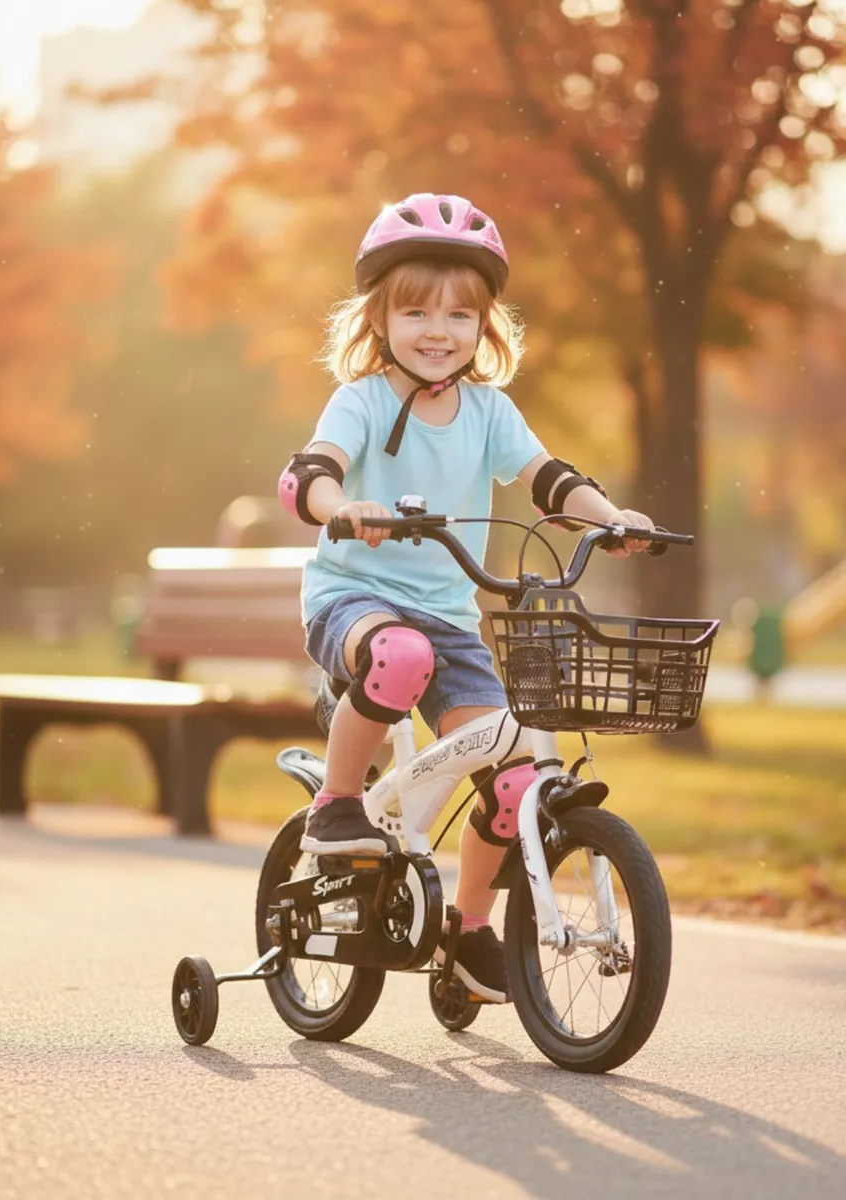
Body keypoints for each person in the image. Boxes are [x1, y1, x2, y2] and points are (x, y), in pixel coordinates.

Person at [277, 192, 654, 1002]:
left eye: (458, 314)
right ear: (378, 320)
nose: (438, 330)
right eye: (415, 312)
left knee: (516, 777)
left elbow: (548, 478)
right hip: (354, 599)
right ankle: (338, 805)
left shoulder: (489, 409)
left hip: (451, 621)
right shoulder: (365, 400)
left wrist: (611, 517)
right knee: (399, 654)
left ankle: (467, 929)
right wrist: (340, 506)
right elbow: (308, 474)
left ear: (486, 327)